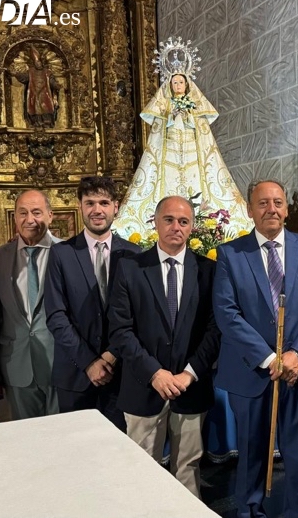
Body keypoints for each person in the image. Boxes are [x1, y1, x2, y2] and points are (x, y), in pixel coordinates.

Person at [214, 179, 298, 518]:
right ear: (250, 210)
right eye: (263, 203)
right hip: (251, 370)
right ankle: (250, 511)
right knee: (252, 451)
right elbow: (227, 313)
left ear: (286, 208)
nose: (272, 209)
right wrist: (270, 358)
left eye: (278, 202)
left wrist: (296, 355)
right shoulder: (230, 254)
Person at [108, 196, 220, 498]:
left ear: (192, 226)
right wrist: (155, 373)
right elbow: (120, 330)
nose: (176, 227)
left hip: (190, 388)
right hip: (143, 388)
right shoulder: (130, 268)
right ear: (155, 223)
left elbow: (214, 329)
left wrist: (189, 373)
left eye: (183, 221)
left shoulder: (208, 271)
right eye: (169, 220)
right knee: (141, 471)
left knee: (188, 467)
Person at [45, 176, 140, 430]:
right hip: (75, 375)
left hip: (120, 374)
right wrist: (89, 362)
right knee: (77, 454)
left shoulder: (134, 254)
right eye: (90, 203)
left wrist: (111, 356)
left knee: (119, 454)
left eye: (104, 203)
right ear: (80, 206)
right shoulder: (61, 254)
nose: (97, 210)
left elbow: (137, 315)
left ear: (116, 207)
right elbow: (56, 316)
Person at [113, 69, 250, 237]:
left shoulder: (194, 105)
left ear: (187, 85)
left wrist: (188, 116)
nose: (178, 85)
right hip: (169, 154)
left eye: (181, 82)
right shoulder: (165, 105)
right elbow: (158, 132)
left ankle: (201, 227)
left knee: (196, 185)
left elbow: (201, 130)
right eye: (175, 83)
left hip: (192, 154)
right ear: (170, 86)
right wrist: (172, 115)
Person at [0, 190, 61, 420]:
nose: (29, 219)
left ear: (50, 215)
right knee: (25, 440)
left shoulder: (69, 253)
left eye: (37, 212)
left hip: (59, 363)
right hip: (16, 363)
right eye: (23, 213)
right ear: (15, 217)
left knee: (65, 438)